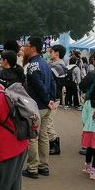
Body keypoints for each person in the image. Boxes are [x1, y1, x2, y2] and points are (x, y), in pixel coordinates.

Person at [21, 37, 56, 179]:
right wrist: (52, 100)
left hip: (37, 106)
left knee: (33, 137)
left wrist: (47, 100)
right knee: (43, 136)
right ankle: (44, 166)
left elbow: (37, 84)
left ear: (33, 48)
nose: (24, 48)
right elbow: (52, 82)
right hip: (46, 106)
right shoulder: (45, 63)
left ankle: (32, 168)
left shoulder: (33, 65)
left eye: (27, 45)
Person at [47, 44, 66, 154]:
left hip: (54, 97)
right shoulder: (57, 65)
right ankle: (53, 144)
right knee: (48, 121)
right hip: (54, 96)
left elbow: (48, 80)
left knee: (48, 121)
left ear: (57, 53)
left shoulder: (58, 67)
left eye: (51, 51)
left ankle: (54, 145)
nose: (49, 53)